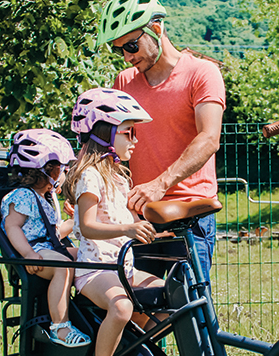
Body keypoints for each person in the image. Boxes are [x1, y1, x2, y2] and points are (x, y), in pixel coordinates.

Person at [96, 0, 226, 284]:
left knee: (190, 309)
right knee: (141, 310)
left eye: (131, 46)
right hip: (140, 215)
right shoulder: (124, 81)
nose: (127, 57)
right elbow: (111, 146)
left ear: (156, 29)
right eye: (118, 50)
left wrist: (160, 183)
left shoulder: (202, 73)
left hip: (190, 213)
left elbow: (209, 139)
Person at [62, 88, 164, 356]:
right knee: (122, 306)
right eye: (127, 133)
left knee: (170, 300)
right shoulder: (89, 176)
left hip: (122, 267)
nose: (134, 140)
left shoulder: (119, 177)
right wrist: (129, 228)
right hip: (95, 270)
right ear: (105, 133)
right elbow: (88, 227)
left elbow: (124, 222)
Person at [1, 129, 90, 349]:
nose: (65, 171)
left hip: (48, 247)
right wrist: (28, 254)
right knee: (62, 266)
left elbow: (55, 232)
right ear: (46, 169)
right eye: (61, 166)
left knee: (89, 255)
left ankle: (87, 310)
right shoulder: (22, 196)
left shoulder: (45, 199)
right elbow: (12, 226)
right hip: (34, 251)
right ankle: (60, 327)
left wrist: (77, 218)